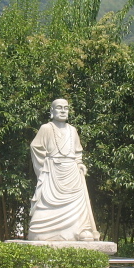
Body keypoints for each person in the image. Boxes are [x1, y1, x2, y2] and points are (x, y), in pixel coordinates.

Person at [27, 99, 100, 242]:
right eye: (59, 108)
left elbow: (78, 151)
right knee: (38, 226)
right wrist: (45, 165)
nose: (62, 111)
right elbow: (35, 146)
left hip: (72, 173)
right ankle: (45, 230)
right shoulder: (46, 128)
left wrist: (79, 163)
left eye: (65, 108)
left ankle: (81, 229)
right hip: (53, 173)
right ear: (51, 111)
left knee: (78, 204)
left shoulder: (72, 130)